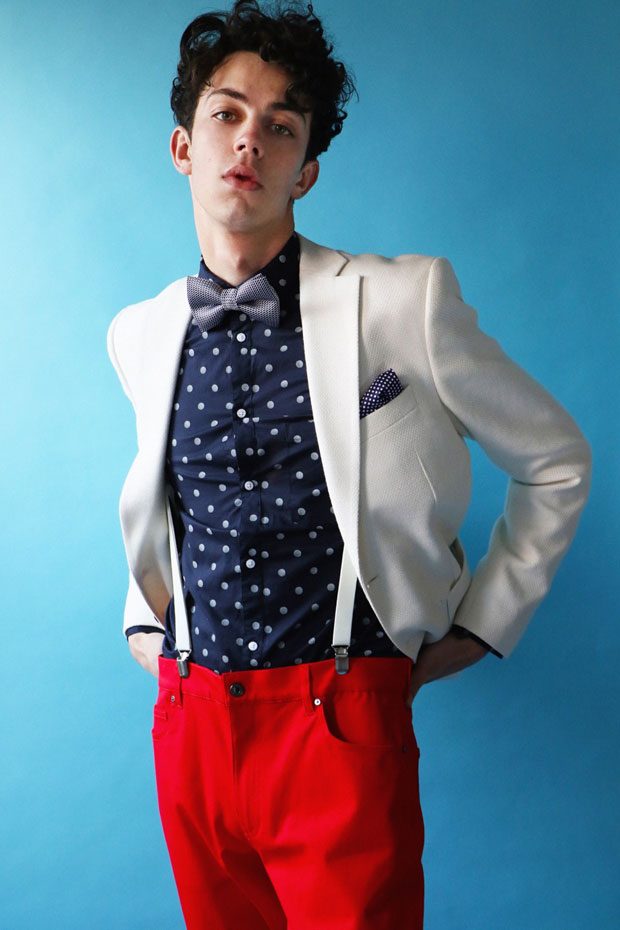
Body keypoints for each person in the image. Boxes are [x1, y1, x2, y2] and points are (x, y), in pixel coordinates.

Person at [106, 2, 592, 927]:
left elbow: (556, 459)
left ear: (306, 169)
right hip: (191, 721)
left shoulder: (402, 301)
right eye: (227, 113)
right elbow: (164, 495)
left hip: (340, 715)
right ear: (183, 147)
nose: (250, 139)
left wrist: (485, 621)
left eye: (281, 125)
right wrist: (147, 626)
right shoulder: (141, 332)